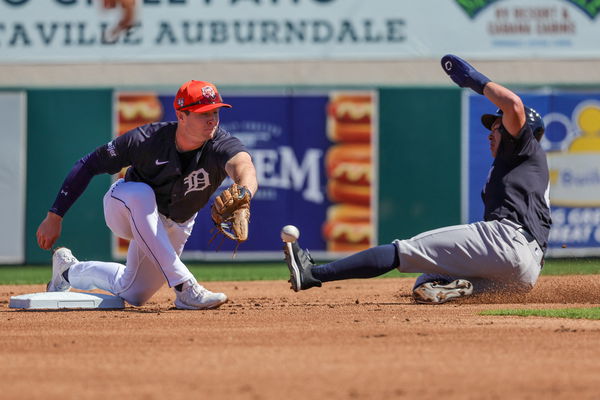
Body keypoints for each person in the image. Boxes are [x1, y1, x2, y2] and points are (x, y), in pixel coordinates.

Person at [283, 54, 551, 304]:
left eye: (496, 126)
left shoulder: (525, 147)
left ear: (517, 130)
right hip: (525, 274)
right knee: (426, 283)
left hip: (505, 241)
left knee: (403, 251)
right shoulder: (521, 166)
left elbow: (513, 105)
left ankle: (312, 274)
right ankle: (463, 289)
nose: (490, 133)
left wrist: (473, 79)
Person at [37, 80, 258, 310]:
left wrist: (245, 192)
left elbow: (244, 166)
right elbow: (88, 164)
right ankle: (185, 287)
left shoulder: (221, 143)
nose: (212, 119)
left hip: (174, 224)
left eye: (215, 111)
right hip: (125, 207)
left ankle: (67, 272)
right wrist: (55, 216)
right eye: (203, 113)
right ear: (181, 115)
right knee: (142, 193)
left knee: (133, 293)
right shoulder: (146, 140)